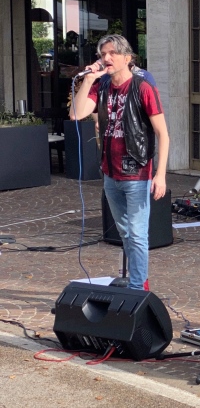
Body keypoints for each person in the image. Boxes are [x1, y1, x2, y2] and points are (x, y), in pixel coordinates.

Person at [69, 34, 170, 291]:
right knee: (125, 233)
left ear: (127, 57)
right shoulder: (101, 86)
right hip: (110, 173)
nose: (106, 58)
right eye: (103, 54)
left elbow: (163, 134)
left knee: (137, 233)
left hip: (136, 171)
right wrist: (88, 79)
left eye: (112, 53)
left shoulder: (142, 87)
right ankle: (139, 279)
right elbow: (76, 114)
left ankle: (138, 288)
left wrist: (160, 175)